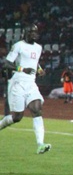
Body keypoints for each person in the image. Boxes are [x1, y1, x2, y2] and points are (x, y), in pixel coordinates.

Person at [0, 24, 52, 154]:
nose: (35, 34)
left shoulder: (38, 48)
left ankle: (40, 144)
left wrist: (39, 69)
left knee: (37, 109)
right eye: (32, 32)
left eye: (36, 32)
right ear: (26, 33)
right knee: (17, 117)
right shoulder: (18, 46)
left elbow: (34, 62)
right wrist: (22, 69)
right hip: (17, 83)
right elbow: (6, 64)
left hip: (31, 83)